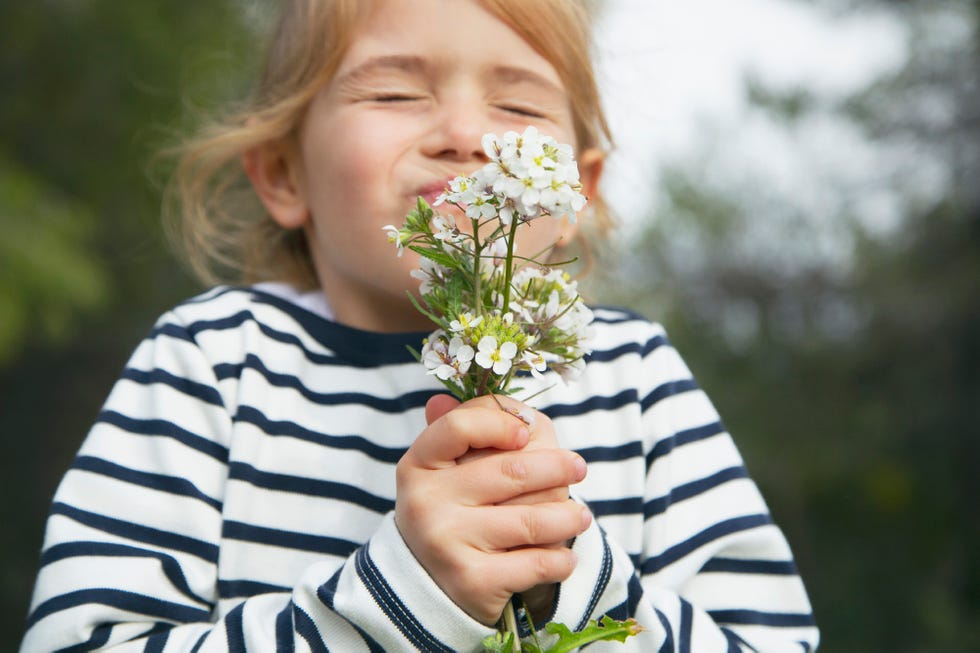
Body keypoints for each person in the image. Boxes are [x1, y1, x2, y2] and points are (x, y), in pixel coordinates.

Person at [20, 0, 819, 650]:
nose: (467, 137)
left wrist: (562, 583)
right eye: (395, 93)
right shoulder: (212, 363)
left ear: (580, 193)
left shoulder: (636, 378)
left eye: (517, 104)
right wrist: (395, 601)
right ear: (283, 172)